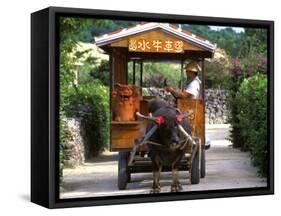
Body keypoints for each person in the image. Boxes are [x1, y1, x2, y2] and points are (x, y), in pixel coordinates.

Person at [164, 61, 211, 149]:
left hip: (190, 107)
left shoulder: (194, 83)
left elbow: (185, 95)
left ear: (192, 72)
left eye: (187, 71)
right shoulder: (193, 82)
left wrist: (172, 90)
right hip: (187, 105)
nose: (186, 73)